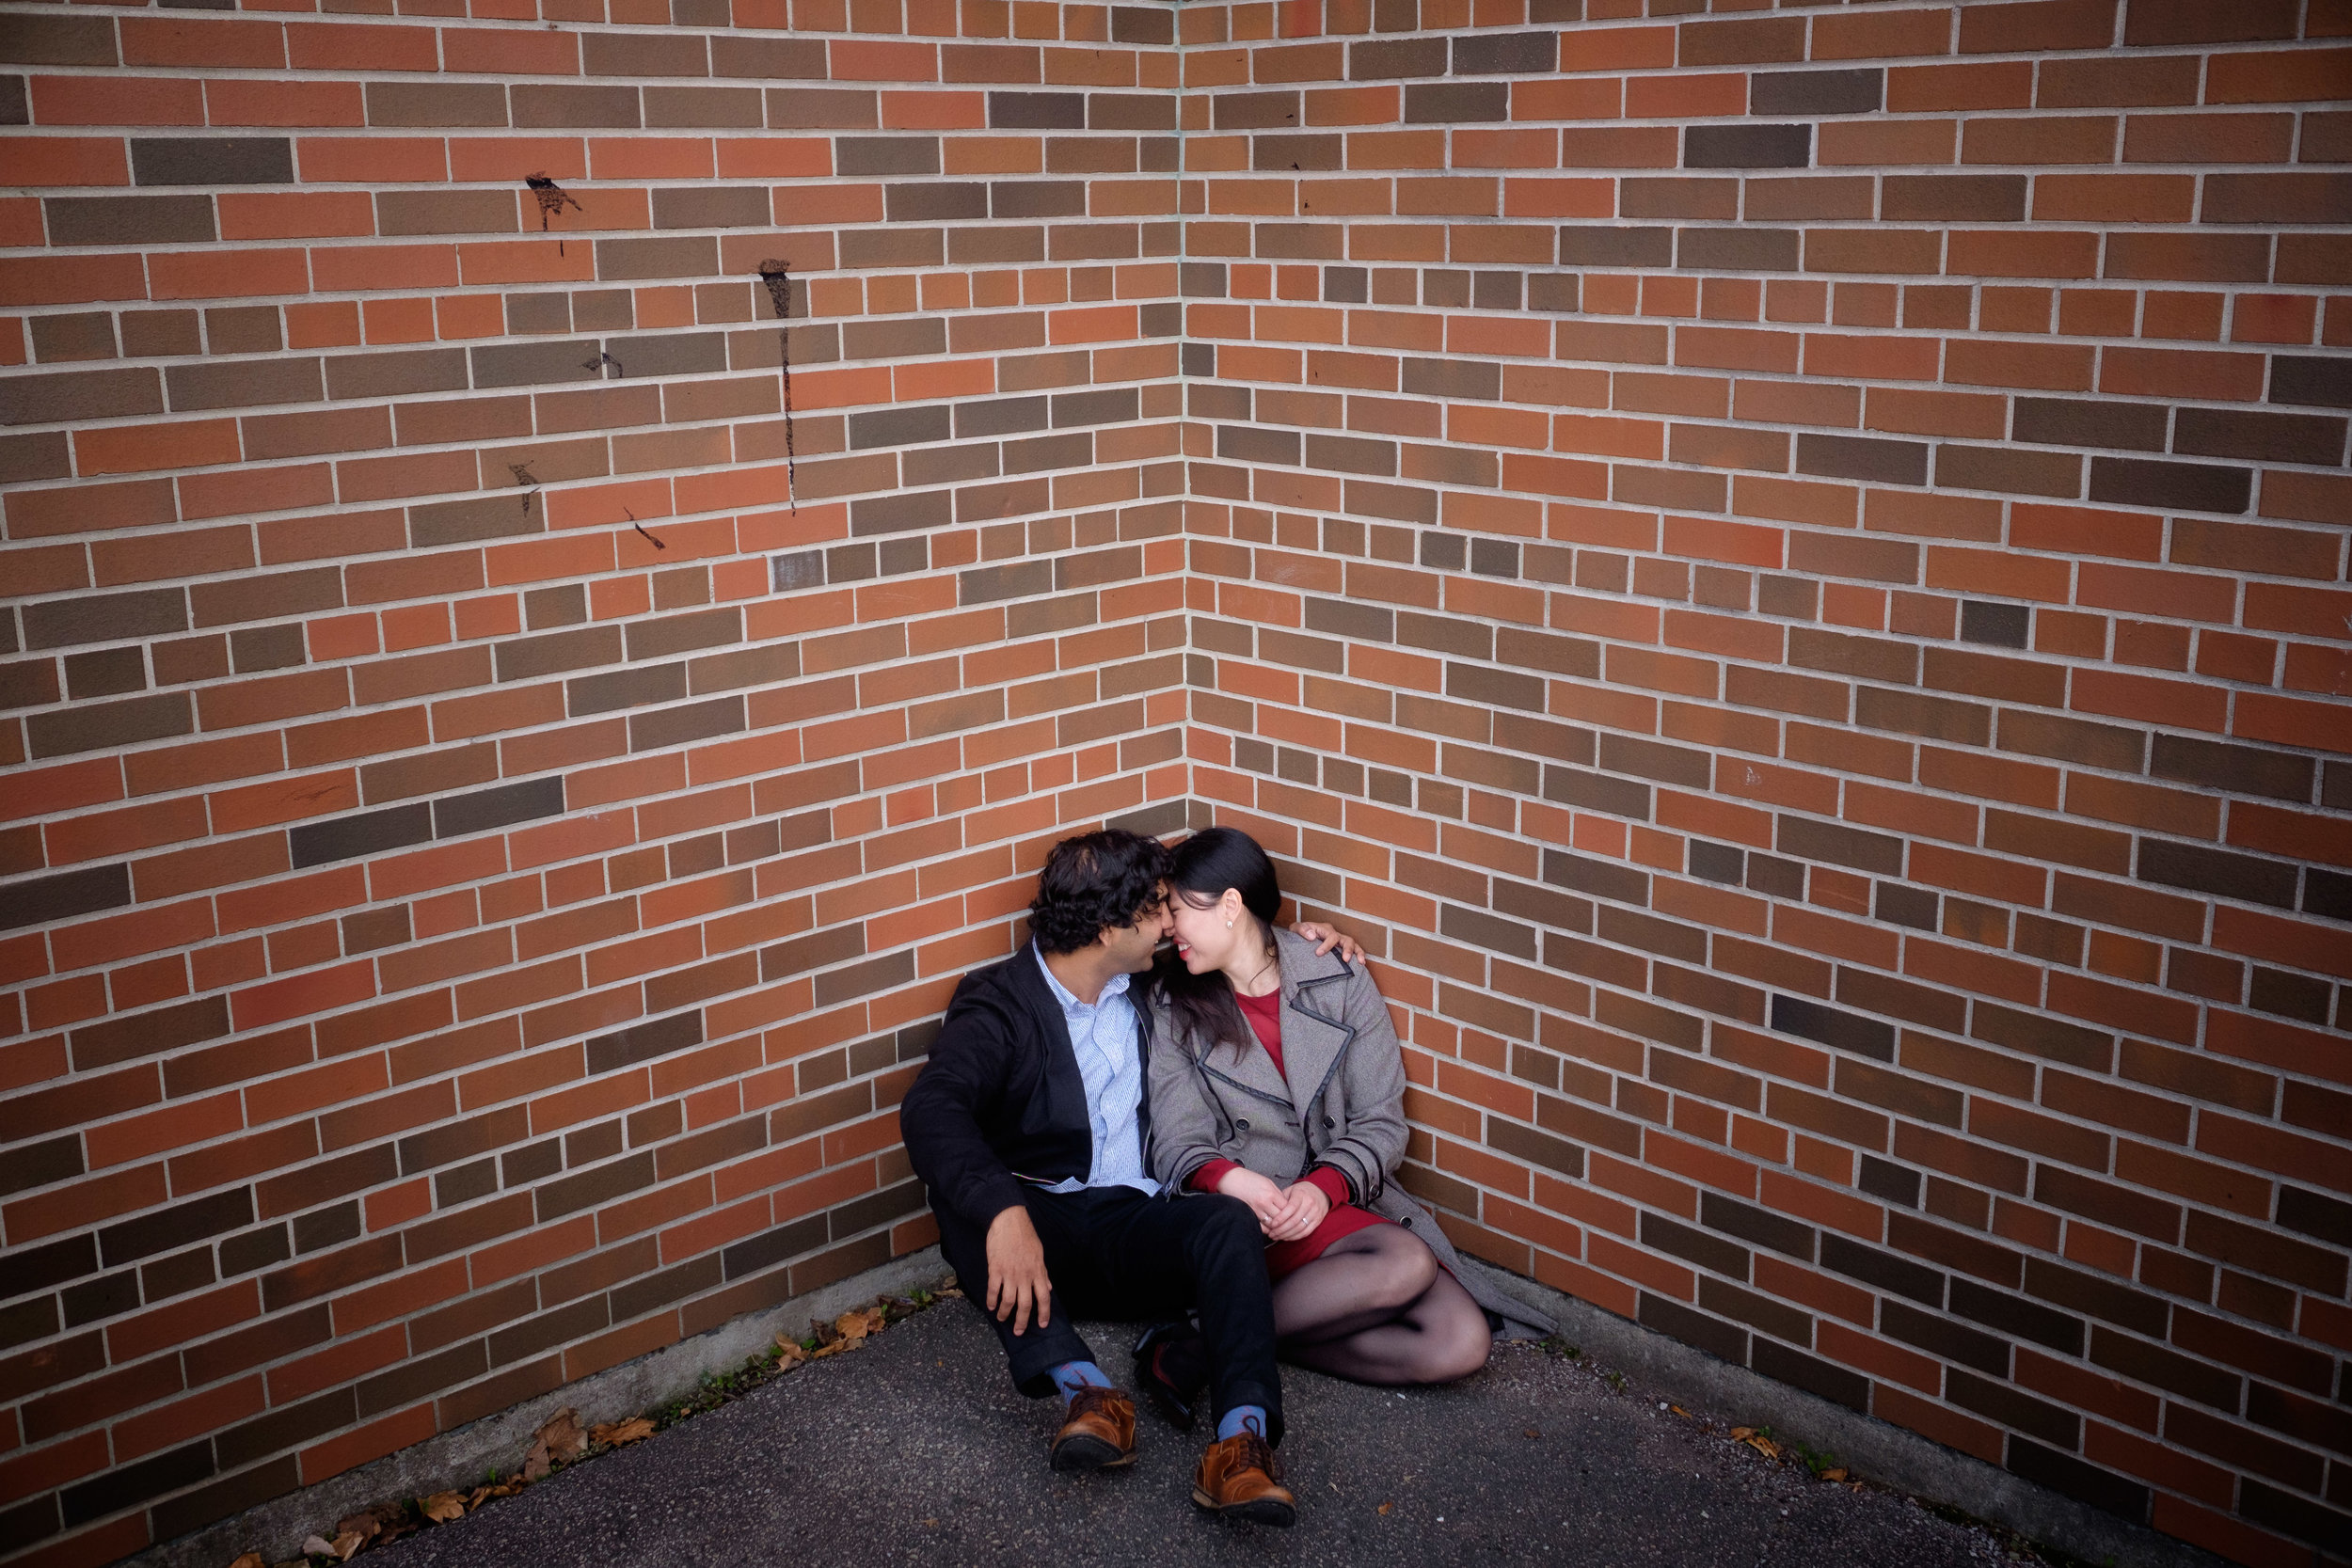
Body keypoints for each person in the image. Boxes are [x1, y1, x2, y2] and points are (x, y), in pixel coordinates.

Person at [899, 827, 1359, 1526]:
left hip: (1141, 1227)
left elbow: (1244, 949)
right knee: (965, 1199)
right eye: (1156, 908)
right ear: (1112, 924)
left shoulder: (1152, 981)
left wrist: (1307, 940)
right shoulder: (999, 1003)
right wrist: (1004, 1212)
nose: (1172, 922)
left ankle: (1241, 1443)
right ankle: (1090, 1396)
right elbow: (933, 1108)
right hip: (1046, 1236)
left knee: (1226, 1219)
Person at [1139, 825, 1551, 1404]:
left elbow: (1382, 1122)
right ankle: (1217, 1337)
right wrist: (1235, 1182)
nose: (1167, 929)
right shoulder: (1172, 1002)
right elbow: (1177, 1143)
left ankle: (1205, 1346)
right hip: (1246, 1219)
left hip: (1337, 1199)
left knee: (1460, 1342)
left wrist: (1323, 1189)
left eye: (1177, 911)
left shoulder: (1338, 974)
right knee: (1407, 1261)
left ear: (1231, 905)